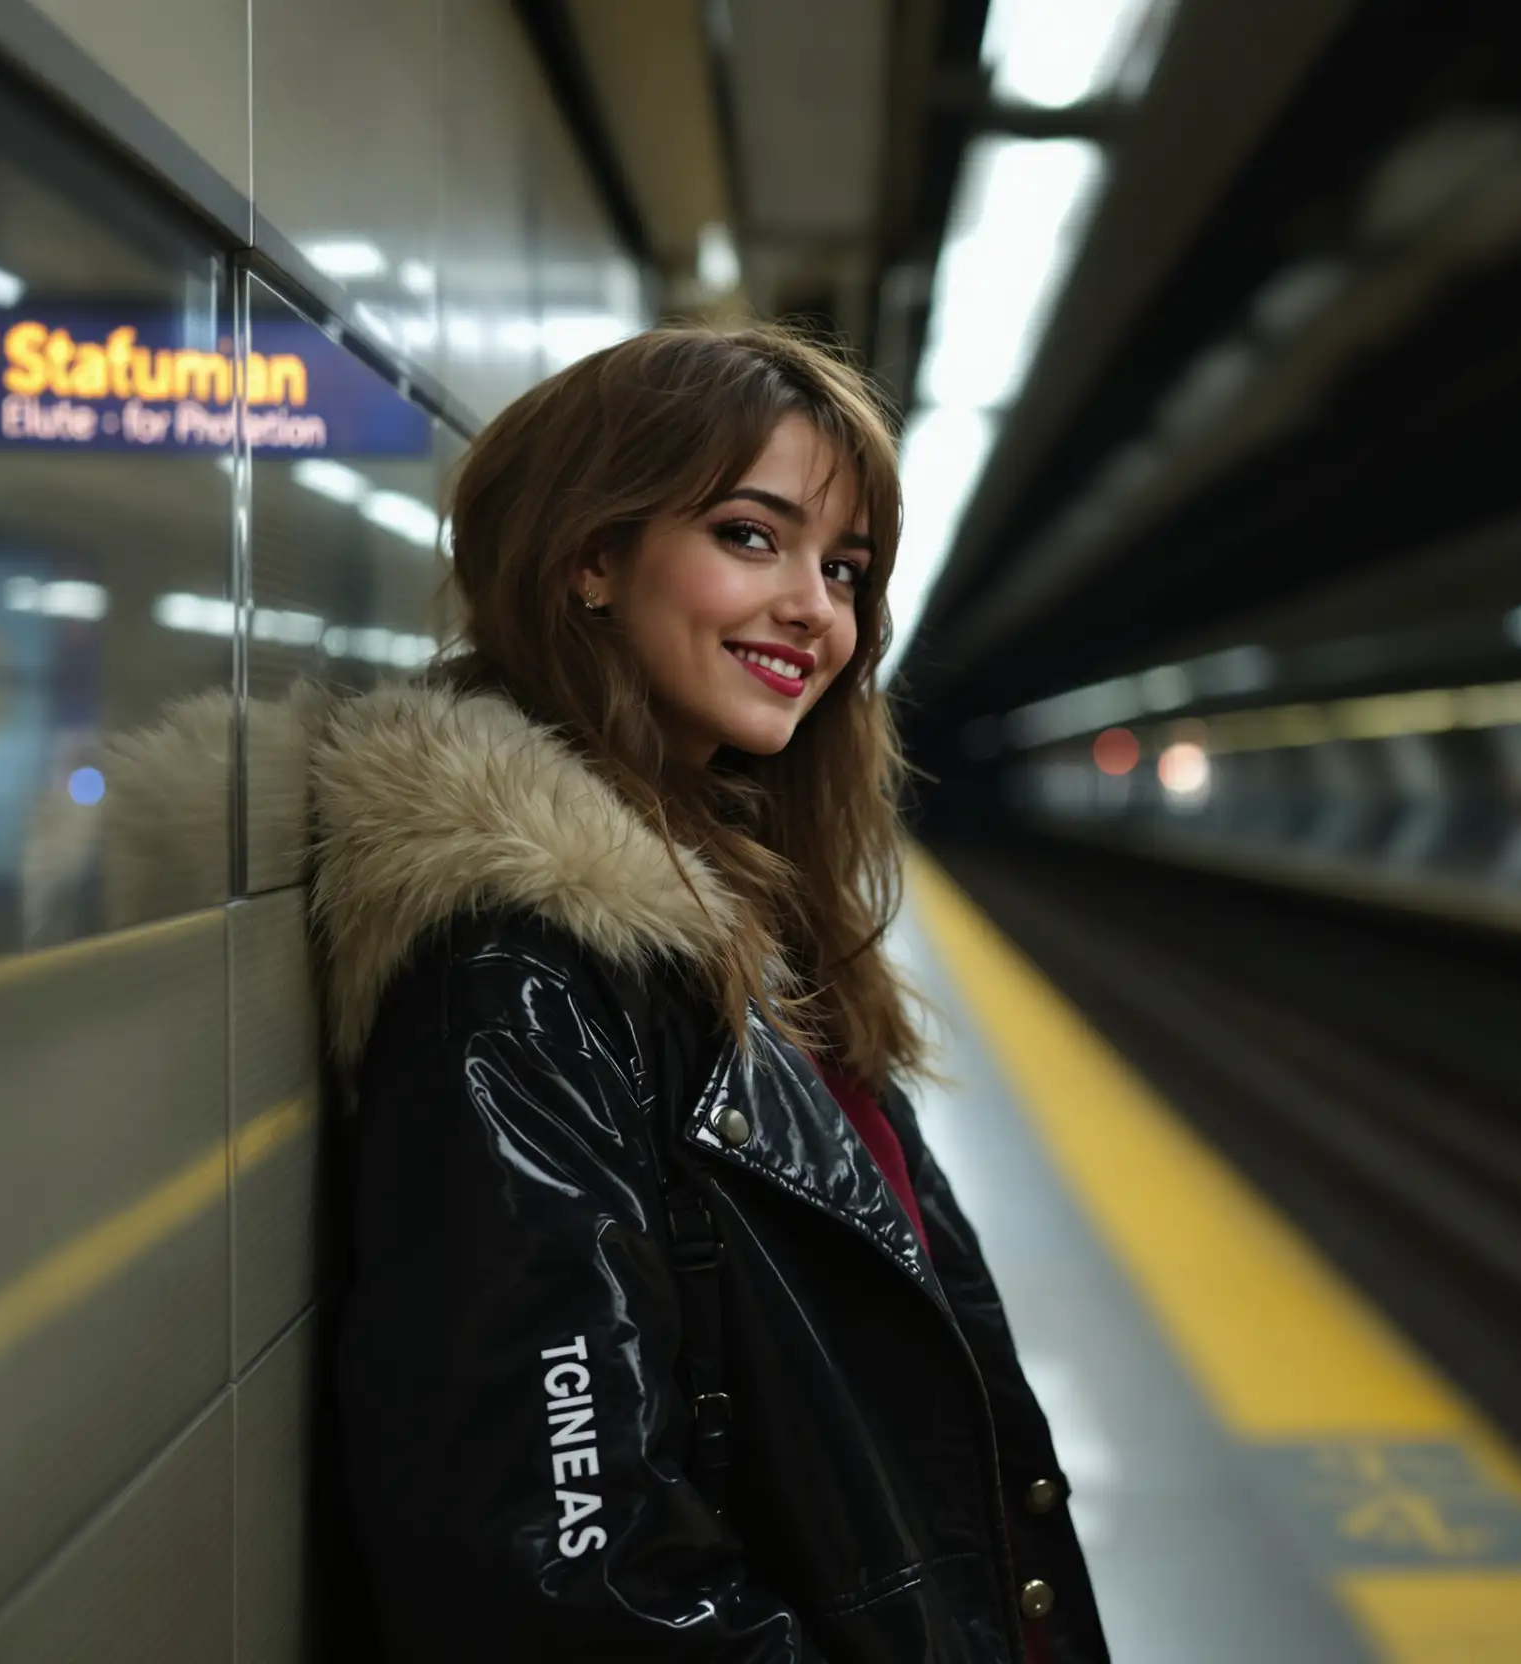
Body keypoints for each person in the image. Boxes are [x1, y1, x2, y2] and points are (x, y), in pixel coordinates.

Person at [314, 326, 1108, 1662]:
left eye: (844, 568)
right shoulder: (524, 979)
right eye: (752, 536)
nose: (817, 610)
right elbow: (568, 1581)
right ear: (590, 557)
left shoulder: (744, 916)